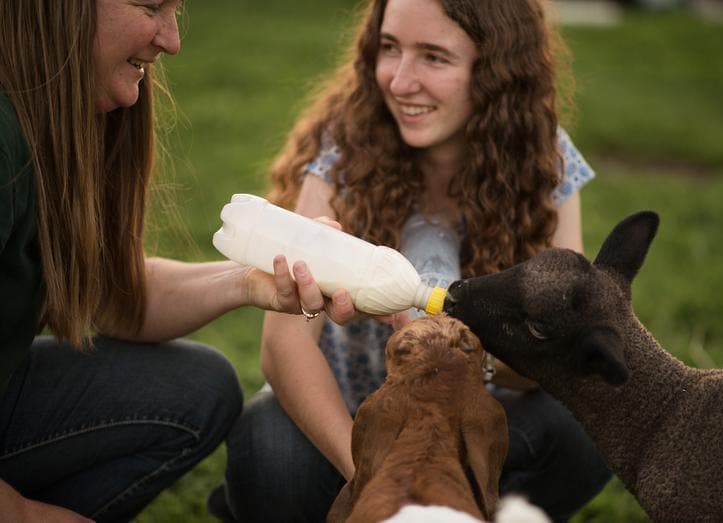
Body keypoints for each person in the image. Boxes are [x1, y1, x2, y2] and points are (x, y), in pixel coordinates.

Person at [212, 0, 612, 521]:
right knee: (270, 449)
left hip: (469, 420)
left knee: (587, 419)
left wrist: (474, 358)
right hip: (346, 419)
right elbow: (283, 347)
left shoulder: (545, 165)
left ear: (495, 71)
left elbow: (562, 347)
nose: (400, 81)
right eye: (389, 48)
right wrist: (377, 479)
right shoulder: (344, 152)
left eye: (434, 57)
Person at [0, 1, 355, 521]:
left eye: (176, 10)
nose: (172, 39)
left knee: (194, 386)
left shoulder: (61, 111)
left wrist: (247, 282)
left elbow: (106, 297)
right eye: (149, 6)